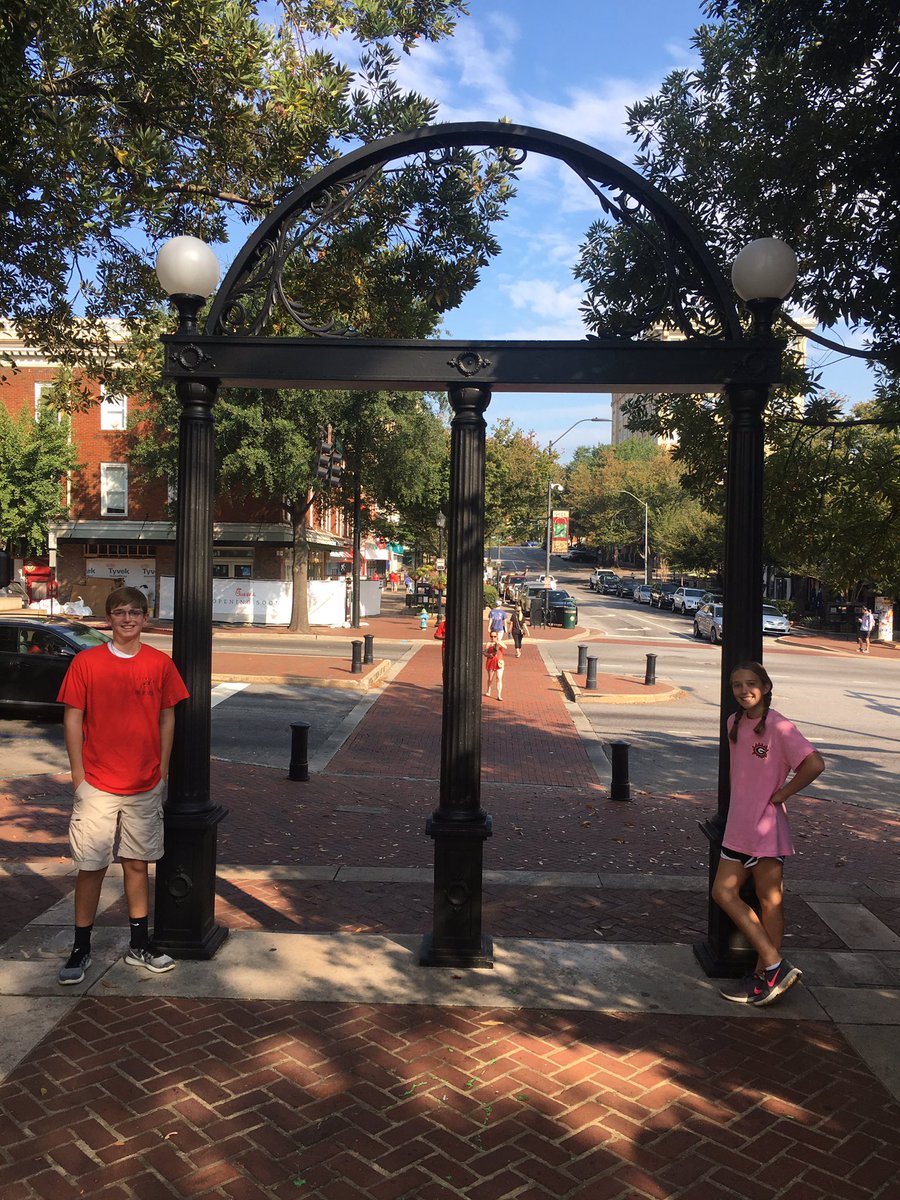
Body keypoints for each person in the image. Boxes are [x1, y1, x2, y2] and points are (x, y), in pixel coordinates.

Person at [56, 586, 189, 985]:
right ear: (108, 618)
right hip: (96, 783)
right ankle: (81, 947)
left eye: (135, 612)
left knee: (137, 863)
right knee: (92, 866)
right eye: (119, 612)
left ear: (145, 618)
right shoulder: (87, 662)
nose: (127, 619)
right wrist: (78, 776)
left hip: (144, 783)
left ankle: (138, 943)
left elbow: (168, 717)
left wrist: (162, 770)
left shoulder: (159, 664)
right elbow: (73, 719)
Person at [713, 662, 825, 1008]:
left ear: (765, 686)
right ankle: (772, 967)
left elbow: (814, 763)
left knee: (768, 899)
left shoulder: (778, 726)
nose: (743, 690)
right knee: (725, 893)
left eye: (750, 683)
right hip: (738, 825)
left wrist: (783, 794)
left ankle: (768, 972)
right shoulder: (734, 723)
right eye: (736, 685)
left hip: (765, 828)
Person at [484, 633, 505, 701]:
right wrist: (488, 654)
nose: (493, 638)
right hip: (491, 662)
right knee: (490, 678)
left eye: (494, 636)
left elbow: (505, 647)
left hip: (499, 662)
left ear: (497, 636)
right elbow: (485, 652)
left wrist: (498, 642)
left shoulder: (499, 642)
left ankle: (499, 695)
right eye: (491, 636)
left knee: (499, 678)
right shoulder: (488, 643)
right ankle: (488, 690)